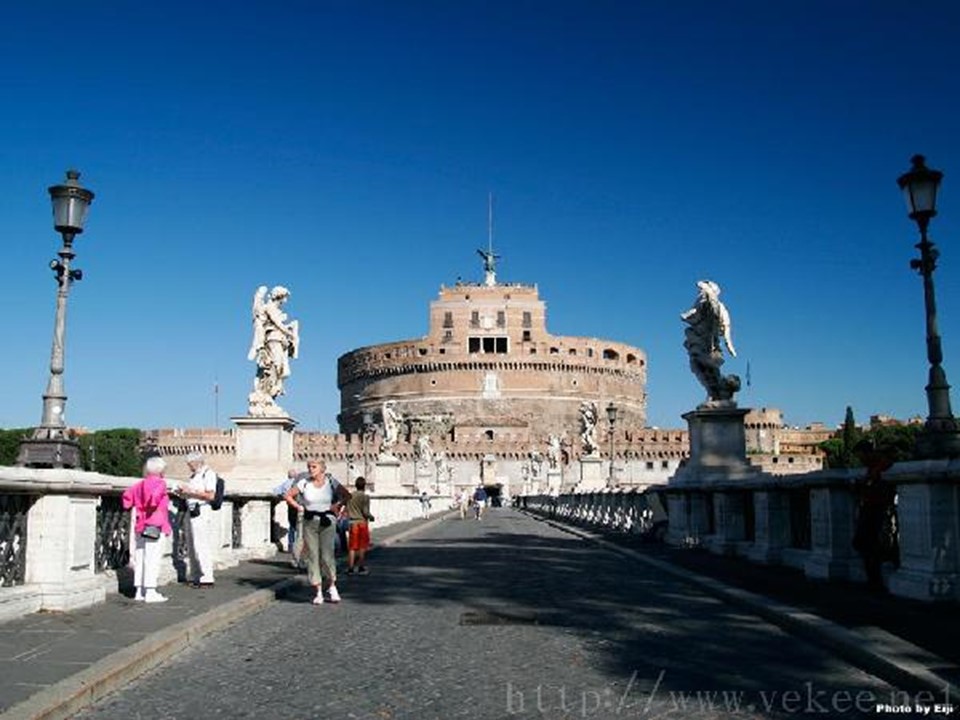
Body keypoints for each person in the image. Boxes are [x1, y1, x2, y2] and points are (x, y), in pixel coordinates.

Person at [284, 460, 351, 605]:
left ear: (322, 468)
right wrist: (299, 507)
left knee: (327, 555)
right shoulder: (304, 483)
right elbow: (287, 495)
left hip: (327, 520)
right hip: (310, 521)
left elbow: (347, 496)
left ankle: (332, 586)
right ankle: (318, 591)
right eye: (309, 467)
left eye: (314, 467)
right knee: (313, 556)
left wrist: (337, 506)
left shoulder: (331, 481)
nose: (310, 469)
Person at [122, 456, 172, 603]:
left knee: (140, 557)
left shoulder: (139, 484)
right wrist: (152, 503)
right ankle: (150, 591)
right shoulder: (161, 483)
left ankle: (139, 590)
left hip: (140, 524)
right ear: (161, 470)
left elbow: (126, 499)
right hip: (154, 525)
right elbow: (154, 498)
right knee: (153, 558)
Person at [681, 280, 740, 404]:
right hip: (698, 341)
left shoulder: (716, 305)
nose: (700, 292)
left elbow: (720, 315)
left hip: (709, 343)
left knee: (708, 366)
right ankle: (713, 393)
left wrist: (729, 344)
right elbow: (694, 312)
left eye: (702, 291)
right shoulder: (701, 303)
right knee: (697, 366)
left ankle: (720, 393)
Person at [852, 440, 898, 592]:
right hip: (871, 507)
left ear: (866, 453)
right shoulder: (873, 466)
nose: (859, 460)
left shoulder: (880, 465)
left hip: (877, 508)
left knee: (869, 543)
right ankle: (874, 578)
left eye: (860, 456)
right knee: (865, 543)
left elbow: (876, 483)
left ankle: (875, 580)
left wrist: (868, 481)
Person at [247, 285, 299, 415]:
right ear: (279, 296)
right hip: (273, 340)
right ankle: (265, 395)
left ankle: (270, 395)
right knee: (275, 365)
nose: (285, 301)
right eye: (284, 298)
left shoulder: (275, 309)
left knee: (280, 368)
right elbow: (277, 324)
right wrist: (290, 333)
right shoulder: (269, 307)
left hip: (280, 341)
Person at [178, 451, 218, 588]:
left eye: (191, 465)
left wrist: (190, 492)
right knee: (192, 545)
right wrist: (183, 493)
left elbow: (211, 495)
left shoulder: (209, 474)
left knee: (201, 545)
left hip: (201, 511)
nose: (189, 467)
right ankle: (196, 575)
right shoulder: (194, 475)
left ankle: (206, 577)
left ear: (197, 462)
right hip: (191, 510)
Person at [344, 476, 375, 575]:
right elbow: (365, 512)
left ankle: (350, 567)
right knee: (362, 546)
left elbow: (346, 508)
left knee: (352, 547)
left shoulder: (350, 496)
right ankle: (361, 567)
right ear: (364, 486)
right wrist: (371, 517)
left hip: (352, 523)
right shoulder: (365, 497)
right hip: (361, 523)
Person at [273, 468, 301, 563]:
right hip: (299, 506)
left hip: (291, 507)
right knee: (300, 527)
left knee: (292, 527)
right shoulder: (298, 483)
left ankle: (290, 545)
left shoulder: (286, 483)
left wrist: (282, 496)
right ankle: (298, 548)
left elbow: (276, 491)